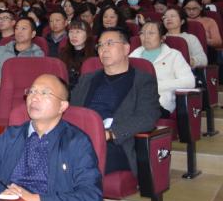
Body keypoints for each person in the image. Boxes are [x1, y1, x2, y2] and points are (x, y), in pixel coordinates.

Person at [71, 27, 160, 174]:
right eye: (100, 45)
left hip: (116, 143)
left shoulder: (143, 81)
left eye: (110, 43)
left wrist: (110, 133)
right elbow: (72, 110)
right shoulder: (87, 79)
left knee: (77, 159)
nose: (104, 49)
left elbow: (147, 117)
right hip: (82, 137)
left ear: (126, 49)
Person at [129, 21, 195, 117]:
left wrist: (156, 85)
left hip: (160, 102)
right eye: (142, 33)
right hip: (134, 100)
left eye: (151, 33)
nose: (146, 37)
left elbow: (189, 82)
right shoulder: (133, 55)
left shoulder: (174, 55)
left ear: (162, 38)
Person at [0, 17, 44, 111]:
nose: (19, 32)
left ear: (33, 34)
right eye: (17, 28)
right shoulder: (1, 50)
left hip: (25, 90)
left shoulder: (38, 54)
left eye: (24, 28)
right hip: (0, 88)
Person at [58, 19, 96, 90]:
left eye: (78, 32)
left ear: (87, 34)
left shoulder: (95, 54)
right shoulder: (63, 53)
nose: (74, 35)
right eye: (71, 32)